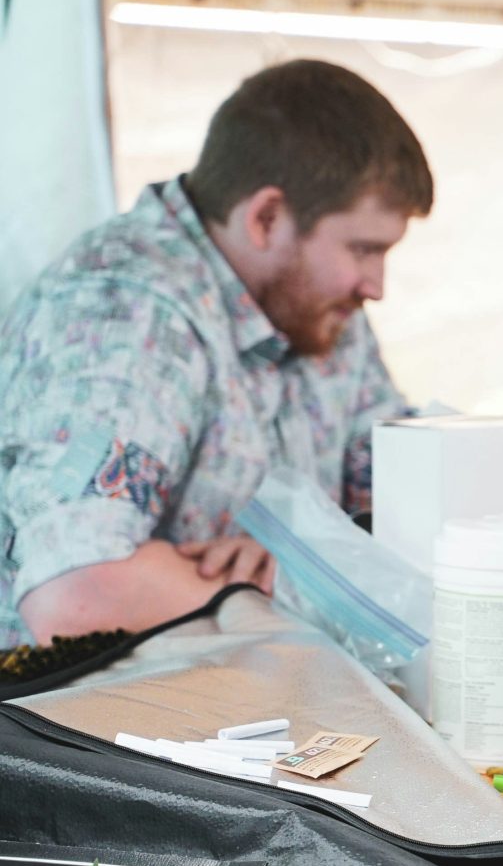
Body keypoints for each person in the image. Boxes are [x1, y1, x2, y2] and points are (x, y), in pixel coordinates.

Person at [0, 60, 429, 647]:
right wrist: (297, 591)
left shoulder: (323, 310)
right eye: (363, 249)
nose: (376, 285)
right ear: (267, 218)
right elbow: (79, 593)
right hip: (83, 727)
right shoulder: (126, 306)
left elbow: (414, 511)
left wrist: (310, 554)